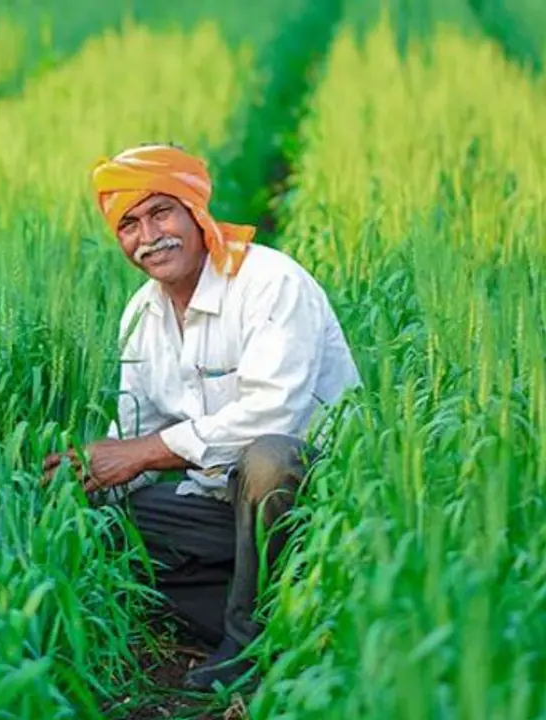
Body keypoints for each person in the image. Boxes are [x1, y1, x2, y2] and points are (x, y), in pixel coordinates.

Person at [41, 144, 361, 691]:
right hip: (219, 507)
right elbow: (136, 431)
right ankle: (291, 618)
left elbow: (272, 414)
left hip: (311, 504)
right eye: (129, 225)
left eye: (161, 211)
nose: (149, 236)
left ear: (196, 211)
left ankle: (243, 641)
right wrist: (85, 477)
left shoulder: (269, 283)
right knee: (107, 522)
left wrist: (139, 453)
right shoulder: (142, 314)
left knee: (270, 457)